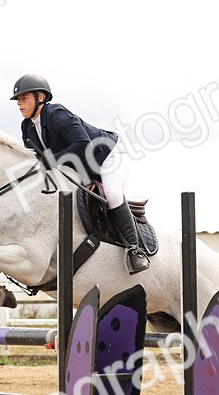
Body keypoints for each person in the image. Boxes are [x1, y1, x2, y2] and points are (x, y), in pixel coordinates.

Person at [10, 73, 150, 274]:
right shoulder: (27, 127)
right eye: (18, 101)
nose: (20, 104)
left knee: (112, 195)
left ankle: (135, 251)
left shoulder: (56, 114)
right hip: (82, 166)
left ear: (40, 97)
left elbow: (82, 143)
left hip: (109, 155)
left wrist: (52, 160)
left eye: (24, 99)